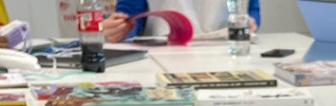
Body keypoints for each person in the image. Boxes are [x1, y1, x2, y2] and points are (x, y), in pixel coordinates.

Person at [102, 0, 261, 42]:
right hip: (165, 51)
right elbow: (130, 12)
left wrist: (252, 21)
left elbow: (251, 8)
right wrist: (120, 28)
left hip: (226, 50)